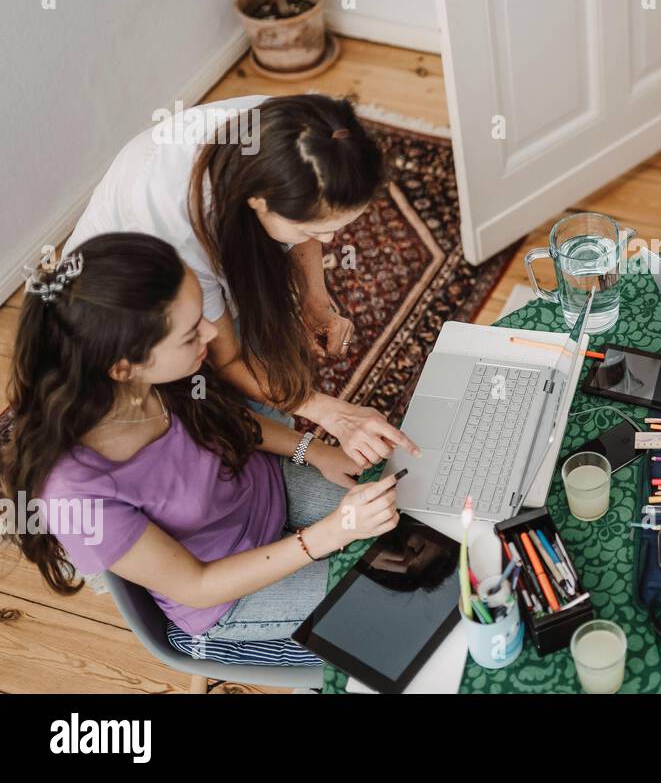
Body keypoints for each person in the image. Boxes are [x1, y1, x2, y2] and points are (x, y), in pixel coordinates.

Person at [0, 233, 400, 643]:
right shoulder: (72, 494)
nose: (212, 333)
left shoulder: (159, 378)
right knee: (396, 605)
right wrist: (329, 535)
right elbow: (197, 585)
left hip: (266, 491)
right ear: (124, 368)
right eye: (191, 333)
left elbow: (222, 419)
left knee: (412, 525)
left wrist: (313, 451)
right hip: (229, 593)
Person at [65, 93, 417, 467]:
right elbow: (227, 358)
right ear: (260, 203)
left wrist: (315, 299)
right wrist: (332, 414)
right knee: (218, 426)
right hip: (128, 310)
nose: (329, 241)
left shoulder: (304, 136)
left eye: (337, 228)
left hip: (203, 261)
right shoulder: (176, 228)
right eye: (315, 228)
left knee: (269, 384)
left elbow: (312, 215)